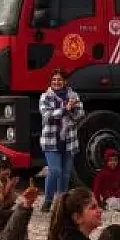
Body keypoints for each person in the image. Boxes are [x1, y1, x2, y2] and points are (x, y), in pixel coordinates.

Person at [39, 69, 85, 212]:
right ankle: (47, 201)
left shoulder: (73, 95)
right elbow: (47, 116)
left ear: (65, 81)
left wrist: (71, 109)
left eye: (59, 80)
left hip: (69, 140)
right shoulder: (45, 96)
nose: (56, 82)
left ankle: (61, 203)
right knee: (55, 170)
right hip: (51, 140)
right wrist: (65, 109)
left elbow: (80, 115)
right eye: (54, 80)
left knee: (66, 173)